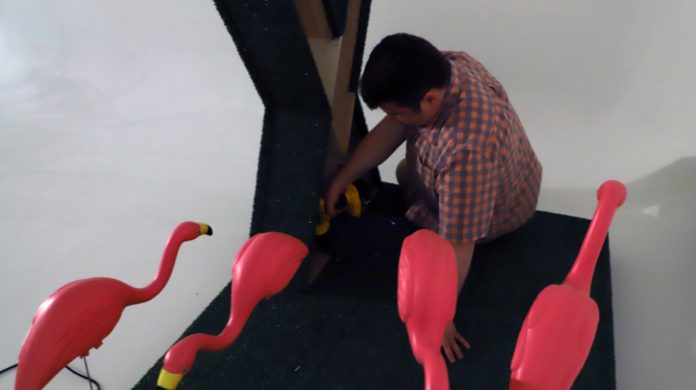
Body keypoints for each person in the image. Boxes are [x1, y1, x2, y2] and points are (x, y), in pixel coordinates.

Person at [324, 33, 542, 363]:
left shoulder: (467, 153)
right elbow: (392, 126)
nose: (393, 119)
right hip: (490, 176)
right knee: (403, 170)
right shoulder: (445, 67)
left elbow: (460, 243)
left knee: (436, 240)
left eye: (397, 113)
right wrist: (345, 175)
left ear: (428, 100)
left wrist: (440, 315)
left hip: (497, 214)